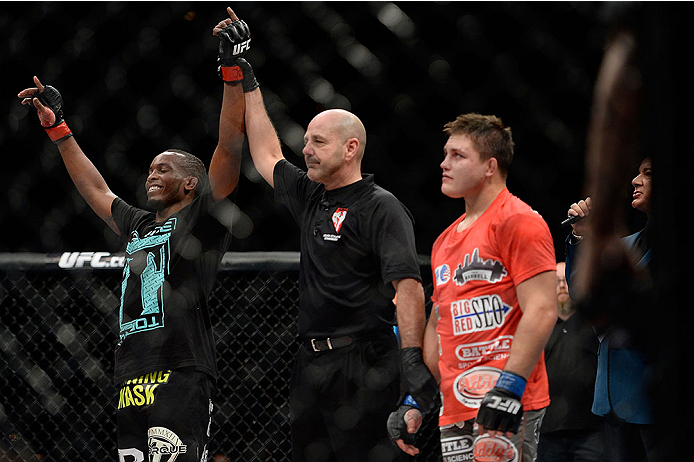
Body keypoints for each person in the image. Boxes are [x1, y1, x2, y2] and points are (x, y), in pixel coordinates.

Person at [17, 8, 250, 461]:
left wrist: (232, 70)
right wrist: (58, 129)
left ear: (190, 183)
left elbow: (229, 146)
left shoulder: (201, 216)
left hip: (181, 369)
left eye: (163, 168)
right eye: (149, 169)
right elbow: (94, 188)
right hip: (132, 372)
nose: (151, 175)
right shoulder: (139, 224)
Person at [213, 10, 437, 462]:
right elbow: (266, 151)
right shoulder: (312, 196)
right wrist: (245, 75)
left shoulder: (381, 207)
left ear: (350, 148)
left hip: (365, 360)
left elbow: (409, 288)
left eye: (318, 142)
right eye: (307, 140)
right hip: (310, 362)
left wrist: (412, 362)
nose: (306, 149)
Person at [401, 113, 558, 462]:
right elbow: (440, 322)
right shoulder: (445, 239)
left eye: (458, 155)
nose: (444, 164)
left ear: (489, 166)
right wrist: (417, 399)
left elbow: (543, 308)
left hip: (506, 397)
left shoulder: (518, 220)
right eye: (445, 154)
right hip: (456, 402)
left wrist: (510, 387)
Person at [564, 157, 656, 462]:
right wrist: (582, 236)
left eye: (648, 174)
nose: (634, 180)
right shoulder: (625, 246)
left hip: (658, 400)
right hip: (613, 400)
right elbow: (581, 292)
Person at [536, 261, 607, 462]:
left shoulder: (595, 324)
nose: (561, 285)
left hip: (593, 430)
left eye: (567, 280)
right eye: (556, 281)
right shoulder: (537, 328)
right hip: (547, 432)